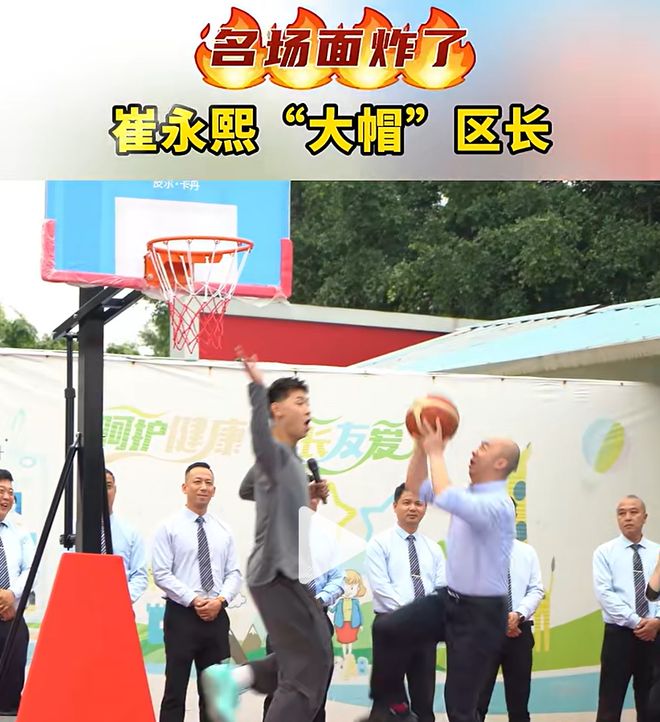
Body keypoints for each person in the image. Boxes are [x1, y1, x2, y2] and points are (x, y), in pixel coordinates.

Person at [203, 350, 333, 722]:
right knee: (304, 672)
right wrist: (257, 388)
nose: (307, 408)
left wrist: (302, 493)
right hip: (275, 572)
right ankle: (234, 680)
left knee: (315, 654)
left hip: (286, 574)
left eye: (308, 402)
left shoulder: (290, 461)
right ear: (277, 410)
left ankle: (236, 678)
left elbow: (248, 489)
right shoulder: (274, 453)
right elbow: (261, 441)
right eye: (299, 401)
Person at [365, 426, 518, 722]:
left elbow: (445, 496)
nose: (475, 451)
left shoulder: (497, 504)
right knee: (386, 629)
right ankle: (398, 711)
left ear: (500, 463)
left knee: (460, 708)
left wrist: (435, 451)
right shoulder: (468, 495)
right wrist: (419, 448)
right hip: (450, 600)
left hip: (481, 612)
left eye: (484, 447)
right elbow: (415, 484)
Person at [152, 461, 242, 722]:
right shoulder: (168, 527)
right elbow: (161, 573)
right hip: (182, 616)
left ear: (214, 490)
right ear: (185, 487)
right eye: (197, 482)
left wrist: (220, 601)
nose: (203, 487)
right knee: (175, 690)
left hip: (216, 616)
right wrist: (194, 600)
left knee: (215, 695)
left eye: (208, 483)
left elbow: (234, 573)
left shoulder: (224, 530)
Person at [365, 483, 446, 722]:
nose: (413, 508)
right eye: (407, 503)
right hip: (391, 627)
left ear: (425, 508)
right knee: (389, 704)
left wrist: (424, 618)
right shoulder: (379, 544)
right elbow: (381, 588)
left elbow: (441, 588)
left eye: (418, 503)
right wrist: (410, 615)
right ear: (395, 506)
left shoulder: (433, 549)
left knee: (424, 700)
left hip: (424, 631)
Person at [593, 495, 660, 722]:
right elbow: (605, 594)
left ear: (645, 517)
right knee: (609, 706)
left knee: (651, 707)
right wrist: (637, 621)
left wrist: (657, 621)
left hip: (654, 636)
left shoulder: (657, 552)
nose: (627, 517)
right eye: (622, 513)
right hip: (619, 635)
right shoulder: (604, 552)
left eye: (633, 512)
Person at [477, 538, 544, 722]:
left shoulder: (527, 552)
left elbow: (536, 590)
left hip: (519, 632)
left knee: (519, 706)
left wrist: (519, 615)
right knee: (476, 704)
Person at [0, 468, 36, 715]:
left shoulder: (20, 531)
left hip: (12, 617)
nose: (6, 497)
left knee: (10, 699)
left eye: (10, 492)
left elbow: (31, 569)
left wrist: (11, 595)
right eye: (1, 491)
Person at [104, 468, 148, 603]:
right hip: (83, 605)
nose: (102, 491)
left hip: (119, 605)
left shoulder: (130, 533)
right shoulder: (75, 534)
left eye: (108, 486)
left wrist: (119, 599)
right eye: (96, 486)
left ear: (115, 490)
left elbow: (139, 576)